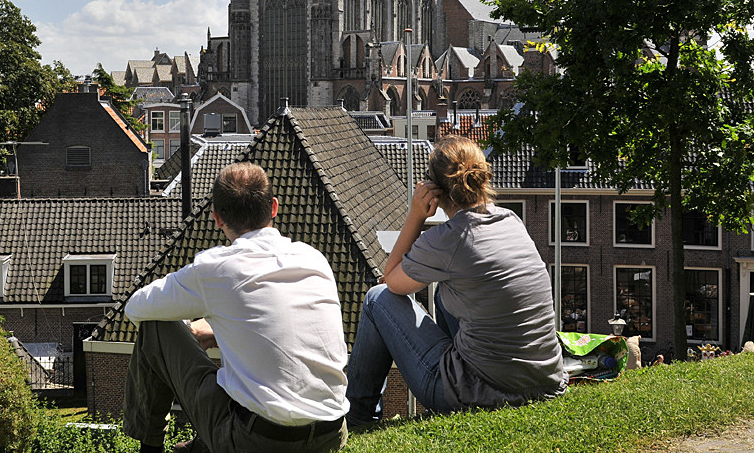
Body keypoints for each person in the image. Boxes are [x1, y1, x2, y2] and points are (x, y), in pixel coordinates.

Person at [123, 162, 349, 453]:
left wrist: (208, 324)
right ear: (274, 208)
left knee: (157, 324)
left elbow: (136, 308)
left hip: (259, 442)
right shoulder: (314, 259)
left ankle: (150, 448)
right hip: (331, 434)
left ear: (217, 218)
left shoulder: (215, 268)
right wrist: (224, 326)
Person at [345, 135, 567, 424]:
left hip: (486, 392)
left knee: (377, 299)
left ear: (434, 190)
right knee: (443, 296)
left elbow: (391, 281)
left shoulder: (448, 239)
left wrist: (415, 216)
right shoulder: (511, 219)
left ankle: (358, 418)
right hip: (546, 381)